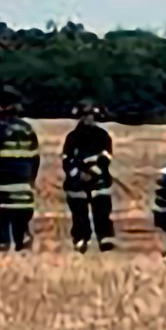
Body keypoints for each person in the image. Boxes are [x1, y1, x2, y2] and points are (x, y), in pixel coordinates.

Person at [0, 88, 40, 251]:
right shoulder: (29, 130)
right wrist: (30, 183)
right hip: (25, 195)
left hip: (2, 195)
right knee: (21, 238)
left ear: (1, 107)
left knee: (2, 241)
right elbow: (35, 160)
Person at [61, 100, 117, 253]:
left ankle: (105, 239)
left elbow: (106, 158)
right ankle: (81, 239)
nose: (88, 119)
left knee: (102, 211)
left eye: (91, 115)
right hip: (76, 184)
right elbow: (66, 160)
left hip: (99, 182)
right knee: (79, 213)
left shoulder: (103, 136)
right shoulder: (72, 138)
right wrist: (78, 175)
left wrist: (92, 173)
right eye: (85, 115)